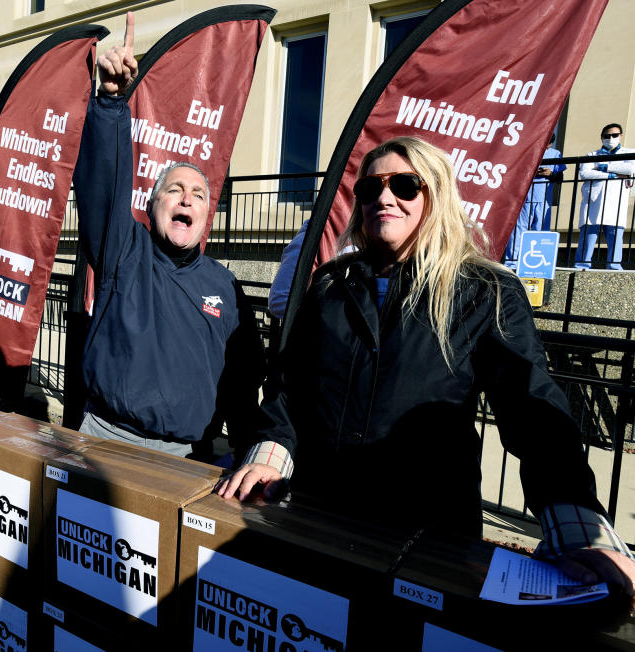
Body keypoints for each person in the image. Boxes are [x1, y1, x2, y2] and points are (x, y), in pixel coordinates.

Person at [219, 136, 635, 599]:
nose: (384, 197)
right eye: (370, 188)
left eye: (404, 185)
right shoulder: (332, 284)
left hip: (426, 544)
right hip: (320, 518)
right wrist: (270, 455)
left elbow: (534, 412)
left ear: (435, 195)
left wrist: (580, 530)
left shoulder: (485, 291)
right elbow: (289, 388)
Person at [72, 13, 264, 458]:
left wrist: (246, 454)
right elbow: (104, 185)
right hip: (106, 440)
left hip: (187, 455)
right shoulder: (124, 250)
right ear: (152, 205)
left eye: (198, 194)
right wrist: (111, 102)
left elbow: (242, 380)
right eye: (173, 189)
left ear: (206, 215)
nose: (186, 198)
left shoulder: (224, 286)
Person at [574, 123, 635, 270]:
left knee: (615, 235)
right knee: (589, 233)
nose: (611, 138)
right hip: (594, 199)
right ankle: (582, 264)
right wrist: (614, 174)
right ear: (602, 138)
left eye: (614, 135)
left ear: (620, 136)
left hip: (616, 200)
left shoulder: (629, 152)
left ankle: (614, 266)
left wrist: (603, 166)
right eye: (607, 136)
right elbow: (585, 173)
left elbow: (630, 168)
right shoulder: (592, 155)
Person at [505, 134, 565, 266]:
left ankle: (539, 265)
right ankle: (512, 263)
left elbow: (560, 178)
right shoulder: (528, 151)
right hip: (525, 199)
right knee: (518, 231)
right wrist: (531, 173)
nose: (546, 147)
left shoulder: (556, 154)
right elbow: (515, 173)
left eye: (548, 145)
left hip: (544, 199)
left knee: (541, 231)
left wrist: (551, 174)